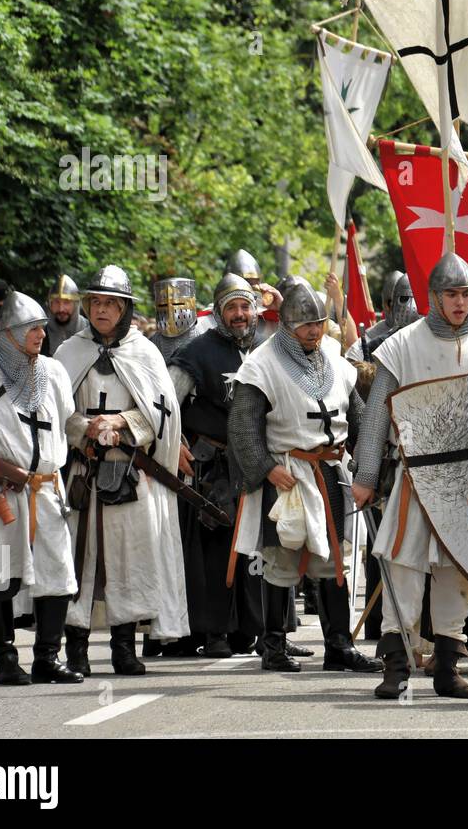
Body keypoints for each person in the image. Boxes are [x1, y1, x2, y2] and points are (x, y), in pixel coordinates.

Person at [351, 253, 468, 700]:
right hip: (415, 476)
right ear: (433, 297)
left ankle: (447, 670)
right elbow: (377, 413)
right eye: (451, 294)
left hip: (465, 479)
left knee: (458, 572)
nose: (460, 303)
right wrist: (366, 474)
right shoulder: (402, 345)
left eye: (466, 294)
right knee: (403, 567)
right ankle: (396, 666)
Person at [227, 284, 379, 674]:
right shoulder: (262, 364)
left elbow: (357, 415)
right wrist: (265, 468)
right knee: (282, 558)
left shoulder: (330, 355)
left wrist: (367, 464)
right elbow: (243, 428)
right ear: (288, 324)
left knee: (333, 563)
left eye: (319, 322)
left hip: (329, 472)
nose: (314, 330)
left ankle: (339, 647)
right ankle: (274, 647)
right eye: (305, 324)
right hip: (287, 475)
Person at [56, 266, 189, 675]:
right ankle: (76, 649)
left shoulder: (144, 353)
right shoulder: (69, 353)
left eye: (110, 303)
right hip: (83, 473)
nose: (101, 310)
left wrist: (121, 423)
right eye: (95, 302)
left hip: (130, 474)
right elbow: (56, 413)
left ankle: (123, 648)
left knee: (130, 561)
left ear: (125, 309)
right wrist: (85, 428)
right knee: (81, 560)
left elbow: (162, 416)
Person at [0, 292, 82, 686]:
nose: (41, 333)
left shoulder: (54, 371)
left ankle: (48, 657)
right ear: (9, 333)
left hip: (46, 487)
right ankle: (6, 659)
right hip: (0, 491)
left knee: (57, 572)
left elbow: (65, 420)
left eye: (43, 326)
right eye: (32, 327)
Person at [167, 273, 266, 659]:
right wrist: (173, 443)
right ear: (219, 312)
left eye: (245, 306)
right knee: (213, 550)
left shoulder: (265, 347)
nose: (240, 315)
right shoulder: (197, 351)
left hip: (256, 462)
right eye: (232, 308)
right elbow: (168, 404)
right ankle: (215, 631)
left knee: (256, 549)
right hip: (212, 467)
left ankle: (253, 629)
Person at [43, 274, 87, 357]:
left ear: (76, 304)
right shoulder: (40, 334)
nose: (61, 309)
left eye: (66, 302)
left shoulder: (91, 332)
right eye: (56, 302)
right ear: (50, 304)